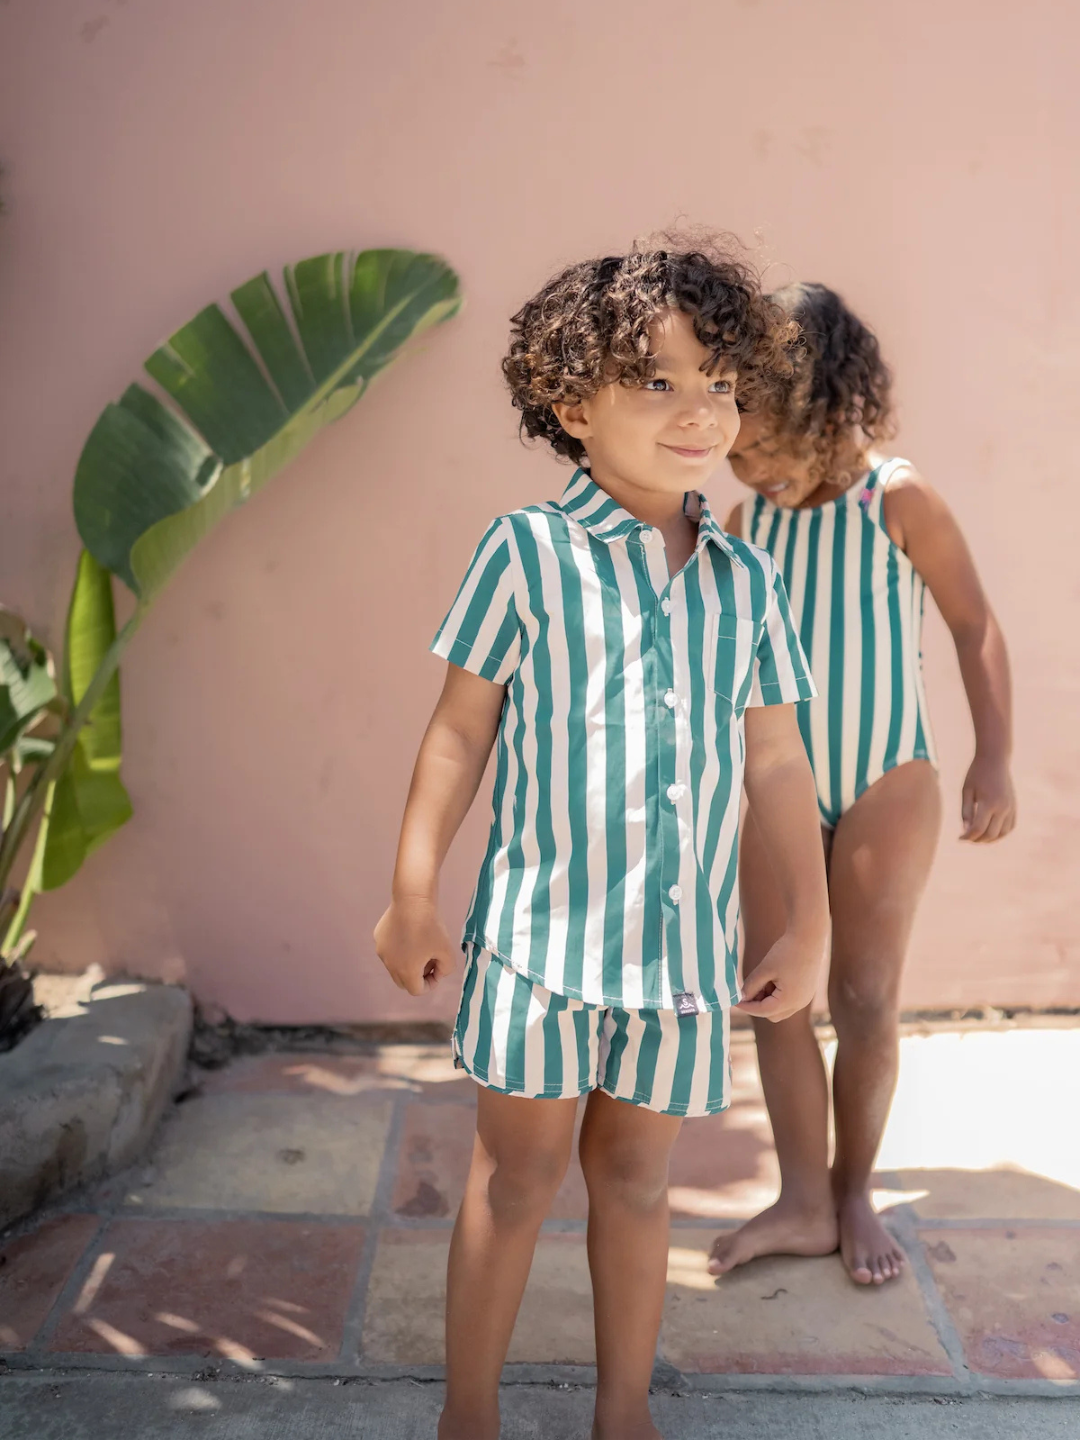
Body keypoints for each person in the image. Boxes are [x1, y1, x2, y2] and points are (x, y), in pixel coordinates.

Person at [374, 240, 831, 1440]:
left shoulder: (744, 580)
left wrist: (812, 921)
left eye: (720, 382)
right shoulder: (524, 552)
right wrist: (411, 891)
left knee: (636, 1190)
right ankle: (468, 1416)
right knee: (516, 1180)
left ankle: (622, 1412)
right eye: (659, 383)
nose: (701, 412)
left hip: (677, 966)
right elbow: (457, 737)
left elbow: (779, 761)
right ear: (574, 407)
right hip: (536, 952)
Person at [710, 282, 1017, 1288]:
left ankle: (852, 1189)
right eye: (735, 450)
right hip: (779, 793)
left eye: (757, 445)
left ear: (816, 412)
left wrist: (994, 756)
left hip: (889, 777)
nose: (743, 465)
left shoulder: (898, 499)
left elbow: (974, 625)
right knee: (777, 995)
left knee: (867, 995)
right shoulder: (746, 523)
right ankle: (801, 1200)